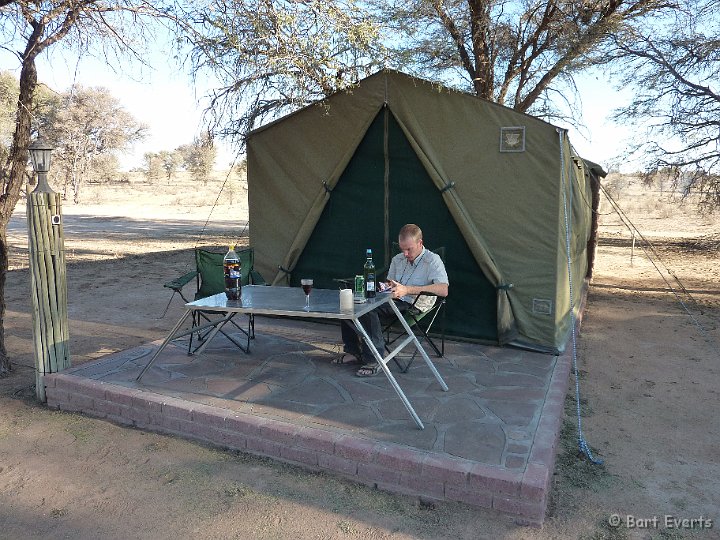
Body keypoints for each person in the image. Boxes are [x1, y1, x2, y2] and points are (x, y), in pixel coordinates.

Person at [338, 224, 449, 377]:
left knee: (369, 309)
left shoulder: (432, 260)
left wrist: (407, 290)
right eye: (402, 249)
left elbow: (444, 290)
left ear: (420, 243)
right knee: (350, 303)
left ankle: (374, 359)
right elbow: (391, 283)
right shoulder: (398, 259)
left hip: (414, 304)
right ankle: (353, 351)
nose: (405, 253)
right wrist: (386, 286)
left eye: (409, 249)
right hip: (393, 299)